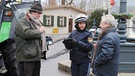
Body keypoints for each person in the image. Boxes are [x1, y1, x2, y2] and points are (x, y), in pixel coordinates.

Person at [15, 2, 47, 76]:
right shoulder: (22, 22)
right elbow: (26, 33)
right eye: (38, 13)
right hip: (26, 58)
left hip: (36, 57)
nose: (40, 15)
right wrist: (39, 31)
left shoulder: (37, 23)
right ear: (32, 12)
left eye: (40, 13)